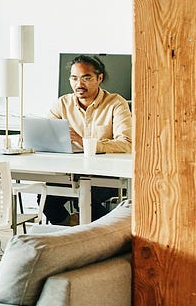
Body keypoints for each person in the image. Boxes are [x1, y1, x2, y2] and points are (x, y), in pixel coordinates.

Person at [43, 54, 134, 224]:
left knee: (86, 199)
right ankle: (74, 231)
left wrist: (84, 142)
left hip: (106, 173)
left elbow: (127, 143)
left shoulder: (116, 103)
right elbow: (46, 133)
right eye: (74, 78)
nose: (79, 84)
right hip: (71, 172)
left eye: (86, 78)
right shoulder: (63, 103)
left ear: (99, 78)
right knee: (48, 202)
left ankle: (105, 237)